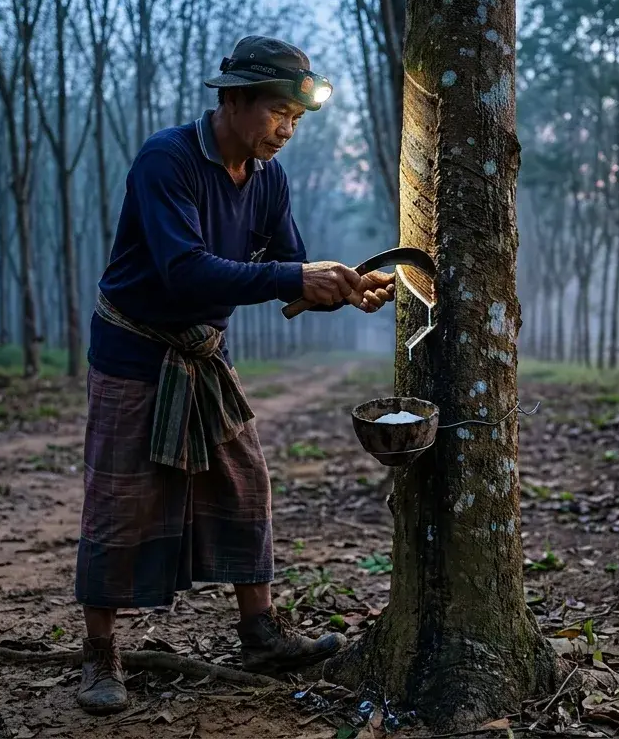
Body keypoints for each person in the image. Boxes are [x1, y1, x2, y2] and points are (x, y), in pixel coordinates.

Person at [73, 35, 395, 715]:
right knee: (120, 496)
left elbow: (289, 271)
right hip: (135, 349)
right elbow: (184, 271)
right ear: (235, 98)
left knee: (245, 486)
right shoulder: (169, 160)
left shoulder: (268, 177)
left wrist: (347, 285)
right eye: (278, 111)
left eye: (298, 120)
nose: (286, 130)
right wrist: (296, 276)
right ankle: (100, 653)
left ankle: (259, 633)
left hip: (204, 353)